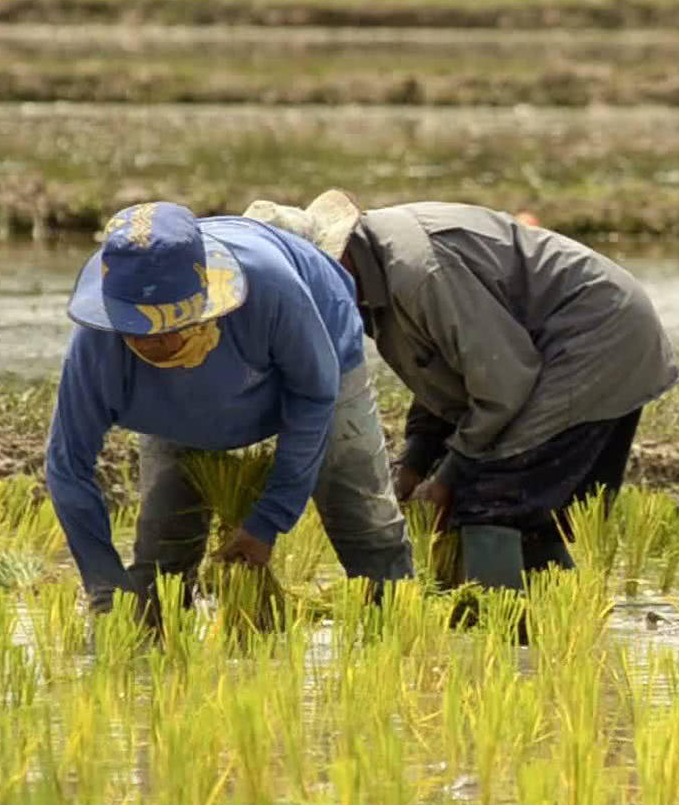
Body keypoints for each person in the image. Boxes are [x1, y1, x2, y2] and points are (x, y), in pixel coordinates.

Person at [242, 190, 679, 589]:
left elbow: (501, 382)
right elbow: (448, 374)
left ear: (332, 259)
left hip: (594, 339)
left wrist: (448, 476)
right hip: (561, 348)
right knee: (528, 509)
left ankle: (495, 634)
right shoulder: (371, 280)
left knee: (489, 499)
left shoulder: (418, 272)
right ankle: (555, 631)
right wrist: (415, 460)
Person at [44, 201, 413, 624]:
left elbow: (314, 397)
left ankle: (398, 625)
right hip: (180, 405)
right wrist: (104, 584)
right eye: (138, 329)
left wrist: (267, 523)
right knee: (165, 544)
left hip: (313, 358)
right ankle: (154, 657)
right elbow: (67, 467)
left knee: (360, 512)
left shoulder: (272, 290)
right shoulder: (97, 345)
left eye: (167, 328)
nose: (152, 343)